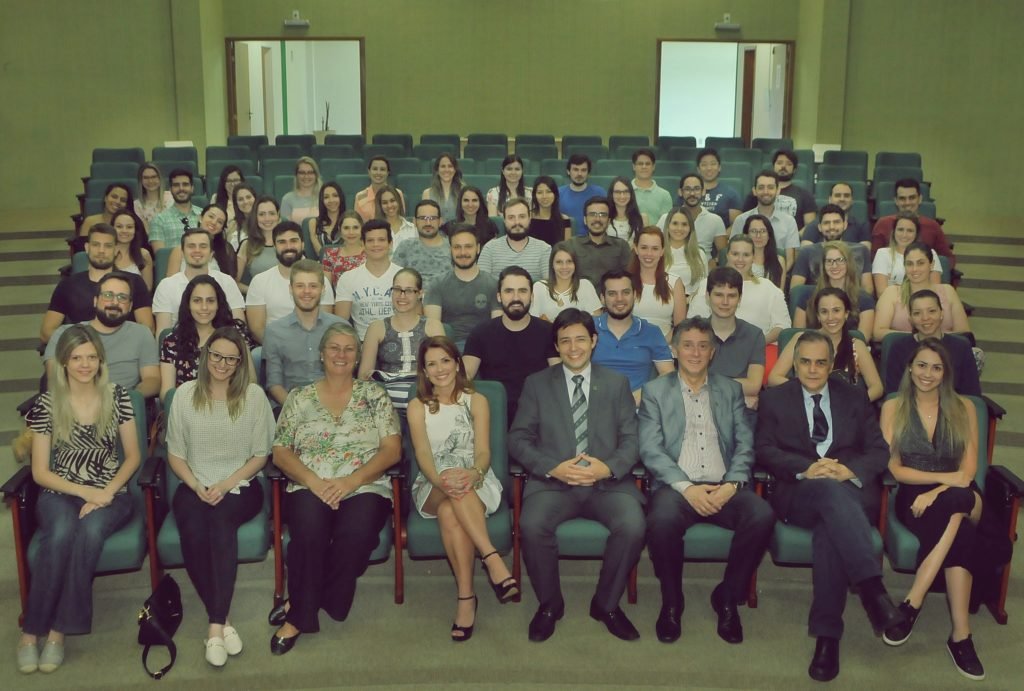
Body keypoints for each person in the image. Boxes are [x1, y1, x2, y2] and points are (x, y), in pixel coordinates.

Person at [756, 331, 905, 682]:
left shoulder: (854, 396)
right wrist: (806, 468)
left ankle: (828, 637)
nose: (812, 369)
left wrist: (848, 470)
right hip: (799, 492)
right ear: (794, 364)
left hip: (849, 493)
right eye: (805, 362)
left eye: (820, 363)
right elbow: (763, 449)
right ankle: (872, 590)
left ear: (831, 363)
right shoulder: (775, 399)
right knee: (826, 493)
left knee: (830, 528)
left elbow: (879, 451)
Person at [509, 308, 646, 643]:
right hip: (554, 483)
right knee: (531, 525)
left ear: (594, 341)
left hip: (607, 484)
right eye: (565, 341)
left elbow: (632, 439)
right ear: (556, 346)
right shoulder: (537, 384)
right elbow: (518, 439)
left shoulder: (616, 383)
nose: (573, 348)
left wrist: (607, 467)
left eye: (580, 339)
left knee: (633, 525)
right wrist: (552, 467)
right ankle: (550, 605)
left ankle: (606, 605)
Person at [268, 322, 401, 655]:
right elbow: (280, 451)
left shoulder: (375, 395)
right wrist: (314, 481)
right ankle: (299, 617)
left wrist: (349, 482)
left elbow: (392, 450)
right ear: (322, 354)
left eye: (349, 349)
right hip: (309, 483)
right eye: (334, 348)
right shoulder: (299, 398)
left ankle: (304, 600)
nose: (341, 355)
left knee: (355, 535)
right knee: (309, 533)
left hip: (364, 484)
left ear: (357, 356)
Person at [639, 317, 775, 644]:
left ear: (713, 352)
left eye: (703, 346)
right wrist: (687, 488)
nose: (696, 353)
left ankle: (728, 596)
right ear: (675, 350)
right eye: (688, 345)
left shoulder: (730, 390)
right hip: (677, 487)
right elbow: (650, 449)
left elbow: (745, 444)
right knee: (661, 520)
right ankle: (672, 602)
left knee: (761, 514)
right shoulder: (655, 391)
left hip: (723, 484)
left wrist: (732, 484)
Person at [17, 326, 139, 675]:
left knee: (89, 532)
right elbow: (40, 472)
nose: (85, 365)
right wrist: (87, 493)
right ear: (63, 363)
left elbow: (132, 456)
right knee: (59, 533)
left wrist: (105, 494)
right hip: (61, 492)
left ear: (101, 360)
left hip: (112, 491)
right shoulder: (46, 404)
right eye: (76, 358)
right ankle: (30, 633)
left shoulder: (117, 396)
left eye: (91, 357)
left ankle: (58, 631)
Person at [165, 327, 274, 667]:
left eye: (231, 358)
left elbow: (260, 455)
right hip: (193, 482)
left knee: (221, 520)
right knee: (193, 528)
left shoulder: (253, 396)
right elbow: (175, 454)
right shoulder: (184, 395)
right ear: (205, 355)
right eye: (216, 356)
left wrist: (225, 484)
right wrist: (196, 484)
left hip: (241, 484)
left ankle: (214, 626)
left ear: (240, 362)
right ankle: (223, 620)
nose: (222, 364)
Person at [879, 339, 985, 680]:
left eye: (936, 368)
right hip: (914, 498)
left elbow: (968, 473)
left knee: (955, 502)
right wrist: (942, 482)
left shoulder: (964, 407)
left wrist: (938, 490)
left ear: (945, 373)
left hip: (965, 495)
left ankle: (913, 601)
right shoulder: (893, 407)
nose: (928, 373)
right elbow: (894, 469)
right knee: (960, 531)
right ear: (910, 367)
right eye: (922, 365)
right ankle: (961, 636)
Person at [407, 336, 519, 641]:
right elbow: (422, 454)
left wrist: (473, 473)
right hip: (432, 482)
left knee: (450, 511)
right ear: (424, 371)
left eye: (445, 360)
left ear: (457, 363)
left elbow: (483, 451)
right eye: (432, 364)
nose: (440, 369)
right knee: (450, 491)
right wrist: (440, 480)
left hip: (476, 477)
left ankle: (466, 598)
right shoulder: (417, 406)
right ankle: (492, 558)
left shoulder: (476, 400)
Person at [463, 267, 559, 426]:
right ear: (499, 297)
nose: (516, 298)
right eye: (509, 291)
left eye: (522, 291)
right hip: (493, 415)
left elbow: (559, 377)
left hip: (538, 416)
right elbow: (465, 376)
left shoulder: (548, 332)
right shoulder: (481, 333)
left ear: (532, 296)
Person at [45, 271, 160, 397]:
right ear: (95, 301)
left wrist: (129, 398)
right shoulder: (64, 334)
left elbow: (152, 379)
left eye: (122, 297)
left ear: (130, 306)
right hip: (74, 402)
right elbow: (55, 381)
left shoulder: (142, 334)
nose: (115, 302)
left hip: (124, 402)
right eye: (108, 295)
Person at [42, 225, 154, 343]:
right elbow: (46, 332)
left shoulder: (134, 282)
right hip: (81, 348)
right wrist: (79, 345)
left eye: (108, 246)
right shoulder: (68, 285)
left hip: (125, 348)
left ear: (116, 250)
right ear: (87, 248)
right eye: (96, 245)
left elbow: (148, 328)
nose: (101, 251)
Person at [769, 287, 883, 402]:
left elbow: (877, 387)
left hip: (843, 407)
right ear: (818, 316)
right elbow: (774, 378)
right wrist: (806, 389)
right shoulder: (800, 339)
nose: (830, 317)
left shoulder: (856, 346)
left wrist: (856, 404)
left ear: (846, 314)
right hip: (804, 404)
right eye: (824, 312)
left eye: (836, 310)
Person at [358, 268, 445, 409]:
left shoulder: (433, 326)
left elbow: (443, 370)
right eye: (397, 289)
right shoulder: (377, 328)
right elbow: (364, 376)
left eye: (409, 291)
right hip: (385, 404)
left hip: (425, 401)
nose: (402, 296)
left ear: (420, 294)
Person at [160, 275, 255, 400]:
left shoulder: (235, 332)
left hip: (232, 403)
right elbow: (166, 393)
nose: (204, 307)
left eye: (210, 301)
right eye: (197, 301)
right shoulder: (172, 342)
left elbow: (251, 381)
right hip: (189, 405)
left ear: (218, 304)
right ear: (188, 304)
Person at [264, 260, 344, 407]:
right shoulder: (274, 331)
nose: (307, 291)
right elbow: (274, 385)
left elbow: (347, 377)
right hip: (290, 406)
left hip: (334, 406)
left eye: (313, 286)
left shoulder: (340, 328)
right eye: (300, 286)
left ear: (323, 289)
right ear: (291, 289)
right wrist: (298, 411)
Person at [245, 221, 334, 344]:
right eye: (282, 242)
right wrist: (285, 350)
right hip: (274, 347)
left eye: (293, 241)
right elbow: (257, 329)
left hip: (314, 347)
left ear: (302, 244)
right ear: (274, 246)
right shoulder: (259, 281)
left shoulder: (320, 279)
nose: (288, 246)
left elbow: (325, 326)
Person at [593, 269, 675, 402]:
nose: (619, 299)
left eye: (625, 292)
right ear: (602, 298)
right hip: (595, 405)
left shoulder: (651, 332)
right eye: (612, 294)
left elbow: (668, 374)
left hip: (638, 407)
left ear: (635, 295)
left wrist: (636, 398)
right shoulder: (588, 328)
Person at [691, 236, 790, 344]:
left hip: (759, 347)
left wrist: (757, 343)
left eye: (746, 255)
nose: (740, 259)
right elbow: (693, 321)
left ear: (753, 257)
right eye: (735, 254)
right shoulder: (707, 283)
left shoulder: (768, 288)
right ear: (727, 255)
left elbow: (783, 326)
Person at [882, 289, 981, 396]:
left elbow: (972, 393)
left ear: (941, 313)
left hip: (952, 405)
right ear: (910, 319)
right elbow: (894, 394)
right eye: (917, 313)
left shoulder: (961, 346)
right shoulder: (898, 347)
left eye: (932, 311)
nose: (925, 318)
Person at [153, 229, 246, 333]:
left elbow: (239, 327)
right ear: (182, 253)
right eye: (191, 246)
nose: (197, 250)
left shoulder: (227, 281)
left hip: (222, 340)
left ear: (211, 254)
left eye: (203, 246)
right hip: (181, 341)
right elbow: (163, 332)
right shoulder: (166, 285)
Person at [423, 224, 501, 348]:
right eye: (457, 247)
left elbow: (497, 329)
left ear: (478, 248)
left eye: (468, 247)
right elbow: (432, 327)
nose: (463, 252)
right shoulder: (437, 284)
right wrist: (449, 353)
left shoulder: (494, 284)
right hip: (449, 349)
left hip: (485, 348)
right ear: (450, 250)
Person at [874, 242, 970, 342]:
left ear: (932, 265)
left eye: (920, 263)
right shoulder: (892, 292)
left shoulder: (948, 291)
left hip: (945, 348)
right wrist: (918, 337)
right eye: (909, 264)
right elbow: (878, 333)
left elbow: (964, 333)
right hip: (906, 348)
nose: (914, 269)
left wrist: (932, 337)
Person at [334, 219, 403, 340]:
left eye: (381, 240)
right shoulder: (347, 278)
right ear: (363, 244)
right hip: (362, 342)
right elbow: (341, 324)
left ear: (390, 243)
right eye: (370, 240)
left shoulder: (404, 276)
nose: (376, 244)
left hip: (399, 340)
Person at [793, 241, 876, 336]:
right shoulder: (806, 296)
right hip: (812, 344)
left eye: (840, 260)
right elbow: (798, 336)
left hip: (850, 345)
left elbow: (863, 337)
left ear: (849, 263)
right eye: (829, 261)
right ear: (823, 265)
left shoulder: (864, 299)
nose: (834, 266)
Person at [870, 179, 955, 268]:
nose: (907, 203)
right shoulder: (883, 224)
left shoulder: (933, 226)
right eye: (902, 198)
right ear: (896, 201)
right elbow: (874, 259)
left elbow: (948, 259)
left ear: (920, 199)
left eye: (912, 198)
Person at [791, 204, 872, 294]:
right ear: (819, 227)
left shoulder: (861, 251)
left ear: (845, 225)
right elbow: (795, 290)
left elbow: (868, 290)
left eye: (836, 222)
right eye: (826, 223)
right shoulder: (806, 252)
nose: (832, 227)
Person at [730, 170, 800, 270]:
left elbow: (790, 260)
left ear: (778, 191)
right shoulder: (741, 220)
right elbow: (733, 254)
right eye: (761, 187)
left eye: (770, 187)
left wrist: (774, 276)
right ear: (754, 191)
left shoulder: (789, 222)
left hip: (777, 275)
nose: (766, 192)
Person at [629, 226, 686, 341]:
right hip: (629, 345)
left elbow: (680, 326)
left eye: (655, 249)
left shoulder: (675, 282)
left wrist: (660, 345)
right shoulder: (624, 281)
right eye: (644, 248)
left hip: (665, 346)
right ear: (636, 249)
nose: (649, 253)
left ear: (662, 251)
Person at [477, 197, 551, 282]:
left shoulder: (544, 249)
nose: (517, 222)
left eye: (522, 217)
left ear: (529, 218)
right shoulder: (490, 248)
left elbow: (548, 285)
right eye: (511, 217)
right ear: (504, 220)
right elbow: (482, 284)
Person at [656, 174, 727, 260]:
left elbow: (723, 253)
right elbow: (655, 245)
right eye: (687, 189)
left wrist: (714, 262)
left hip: (704, 265)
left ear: (703, 191)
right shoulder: (666, 218)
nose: (692, 193)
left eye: (696, 189)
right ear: (680, 192)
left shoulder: (715, 220)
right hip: (671, 264)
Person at [871, 211, 942, 296]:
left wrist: (895, 286)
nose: (904, 235)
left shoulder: (931, 253)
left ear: (916, 234)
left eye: (910, 231)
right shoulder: (882, 254)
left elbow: (934, 292)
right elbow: (882, 293)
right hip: (892, 303)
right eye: (900, 230)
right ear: (894, 231)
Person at [567, 196, 633, 285]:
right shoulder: (571, 245)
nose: (597, 219)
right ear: (585, 220)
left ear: (609, 221)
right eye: (592, 214)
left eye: (603, 215)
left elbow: (628, 279)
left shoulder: (621, 246)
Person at [530, 242, 602, 321]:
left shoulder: (585, 286)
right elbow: (533, 321)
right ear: (552, 265)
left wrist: (550, 323)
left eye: (569, 261)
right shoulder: (539, 287)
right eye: (559, 262)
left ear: (575, 264)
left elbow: (596, 321)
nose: (564, 267)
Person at [392, 199, 451, 294]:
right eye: (423, 218)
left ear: (440, 221)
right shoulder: (405, 247)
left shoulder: (453, 247)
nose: (428, 223)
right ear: (415, 221)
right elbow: (394, 279)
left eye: (432, 218)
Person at [164, 203, 234, 279]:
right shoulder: (179, 250)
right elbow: (170, 282)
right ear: (200, 217)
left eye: (219, 222)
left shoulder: (226, 250)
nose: (214, 222)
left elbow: (229, 280)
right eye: (211, 216)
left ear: (221, 229)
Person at [661, 205, 708, 303]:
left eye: (684, 224)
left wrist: (685, 302)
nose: (679, 228)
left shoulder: (699, 254)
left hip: (690, 304)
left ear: (690, 228)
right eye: (675, 223)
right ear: (668, 226)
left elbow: (703, 287)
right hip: (662, 303)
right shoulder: (658, 252)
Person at [801, 182, 870, 247]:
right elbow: (805, 252)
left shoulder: (862, 225)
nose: (842, 199)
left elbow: (864, 252)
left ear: (852, 200)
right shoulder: (813, 226)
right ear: (830, 199)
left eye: (846, 196)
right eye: (837, 195)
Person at [148, 169, 202, 251]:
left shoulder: (204, 215)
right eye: (176, 185)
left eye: (185, 184)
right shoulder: (158, 220)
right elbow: (160, 255)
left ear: (192, 188)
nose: (181, 188)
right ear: (170, 189)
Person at [236, 196, 282, 288]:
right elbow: (235, 282)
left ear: (278, 216)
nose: (267, 218)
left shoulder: (289, 243)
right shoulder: (247, 245)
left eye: (272, 213)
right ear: (255, 217)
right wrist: (255, 292)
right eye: (262, 214)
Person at [559, 154, 606, 234]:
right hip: (566, 239)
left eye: (583, 170)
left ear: (588, 173)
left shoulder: (600, 193)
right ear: (568, 171)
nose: (579, 174)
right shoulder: (558, 193)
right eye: (575, 169)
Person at [770, 149, 816, 228]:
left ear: (794, 170)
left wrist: (794, 235)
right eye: (779, 163)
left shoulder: (805, 195)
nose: (783, 166)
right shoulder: (761, 192)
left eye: (789, 164)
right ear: (773, 167)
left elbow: (810, 226)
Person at [110, 209, 154, 292]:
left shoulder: (144, 254)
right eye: (119, 226)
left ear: (135, 230)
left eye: (129, 227)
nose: (124, 231)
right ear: (112, 228)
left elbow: (147, 289)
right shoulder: (105, 253)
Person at [697, 148, 742, 227]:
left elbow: (736, 226)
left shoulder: (731, 194)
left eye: (713, 164)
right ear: (698, 169)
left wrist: (721, 235)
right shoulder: (688, 193)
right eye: (704, 165)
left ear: (719, 167)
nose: (709, 168)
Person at [319, 210, 365, 287]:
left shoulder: (371, 253)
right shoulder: (330, 254)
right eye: (346, 228)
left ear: (362, 229)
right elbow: (326, 287)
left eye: (355, 228)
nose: (351, 232)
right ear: (340, 229)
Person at [740, 214, 786, 289]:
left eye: (763, 231)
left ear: (769, 235)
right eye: (753, 231)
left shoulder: (779, 261)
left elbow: (780, 292)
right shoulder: (739, 259)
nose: (758, 235)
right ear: (746, 234)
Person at [354, 156, 405, 222]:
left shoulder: (397, 193)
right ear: (369, 172)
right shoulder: (360, 196)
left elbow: (401, 219)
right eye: (375, 169)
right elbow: (357, 223)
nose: (378, 173)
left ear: (388, 173)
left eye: (382, 169)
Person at [305, 181, 347, 259]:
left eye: (335, 195)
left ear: (341, 198)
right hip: (321, 264)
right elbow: (320, 254)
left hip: (345, 263)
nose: (331, 200)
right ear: (322, 201)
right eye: (326, 197)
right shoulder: (314, 223)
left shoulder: (348, 221)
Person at [629, 148, 672, 222]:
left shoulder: (665, 195)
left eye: (648, 164)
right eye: (640, 164)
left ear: (653, 167)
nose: (644, 167)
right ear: (634, 167)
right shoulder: (624, 192)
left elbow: (666, 224)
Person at [529, 175, 572, 245]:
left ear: (555, 194)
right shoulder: (527, 218)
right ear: (534, 195)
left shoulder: (564, 220)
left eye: (548, 191)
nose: (544, 196)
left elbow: (567, 248)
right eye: (540, 192)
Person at [280, 156, 322, 226]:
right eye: (302, 173)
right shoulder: (287, 199)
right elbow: (284, 227)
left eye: (310, 172)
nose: (306, 176)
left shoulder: (323, 197)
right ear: (296, 175)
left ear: (316, 175)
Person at [421, 152, 462, 223]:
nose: (446, 170)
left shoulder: (463, 191)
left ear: (455, 170)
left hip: (459, 229)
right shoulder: (427, 193)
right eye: (443, 166)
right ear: (437, 170)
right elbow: (425, 220)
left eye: (450, 166)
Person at [607, 176, 648, 241]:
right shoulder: (605, 219)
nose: (622, 196)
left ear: (631, 194)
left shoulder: (642, 219)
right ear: (611, 194)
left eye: (626, 191)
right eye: (618, 192)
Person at [134, 163, 172, 228]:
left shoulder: (172, 197)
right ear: (141, 181)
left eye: (154, 177)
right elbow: (144, 230)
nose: (150, 181)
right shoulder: (137, 205)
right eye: (146, 178)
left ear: (160, 178)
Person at [226, 182, 257, 251]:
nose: (245, 202)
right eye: (240, 199)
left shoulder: (264, 222)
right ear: (236, 203)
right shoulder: (232, 224)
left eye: (248, 197)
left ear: (255, 198)